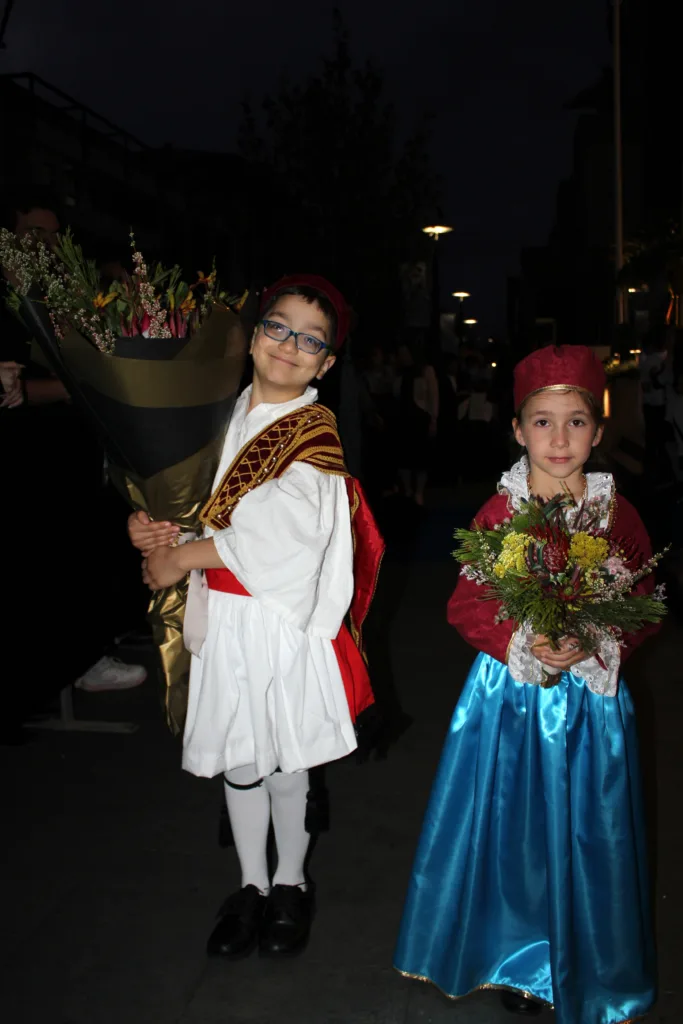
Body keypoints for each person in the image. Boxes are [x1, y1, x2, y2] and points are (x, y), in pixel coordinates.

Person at [394, 345, 658, 1022]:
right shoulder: (498, 512)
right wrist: (523, 640)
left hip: (592, 706)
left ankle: (587, 952)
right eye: (543, 422)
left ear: (598, 430)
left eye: (576, 421)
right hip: (510, 701)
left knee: (589, 830)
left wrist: (600, 637)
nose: (560, 438)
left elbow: (645, 600)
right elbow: (466, 603)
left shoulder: (616, 516)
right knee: (513, 830)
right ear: (516, 430)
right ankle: (518, 954)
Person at [128, 275, 384, 959]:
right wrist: (151, 527)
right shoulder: (218, 413)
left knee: (283, 764)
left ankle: (290, 884)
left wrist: (181, 560)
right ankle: (248, 885)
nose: (289, 346)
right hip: (224, 619)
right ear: (252, 335)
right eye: (278, 326)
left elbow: (283, 540)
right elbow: (184, 500)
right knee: (239, 759)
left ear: (325, 364)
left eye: (310, 340)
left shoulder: (312, 433)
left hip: (278, 624)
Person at [0, 187, 147, 701]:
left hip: (70, 445)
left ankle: (86, 652)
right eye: (33, 233)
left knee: (85, 547)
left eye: (53, 234)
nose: (44, 244)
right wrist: (71, 387)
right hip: (28, 454)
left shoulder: (53, 290)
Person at [395, 343, 439, 506]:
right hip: (403, 417)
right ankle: (407, 490)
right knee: (404, 458)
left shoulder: (425, 370)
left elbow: (433, 395)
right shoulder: (399, 372)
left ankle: (418, 492)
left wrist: (433, 418)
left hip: (420, 417)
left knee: (421, 457)